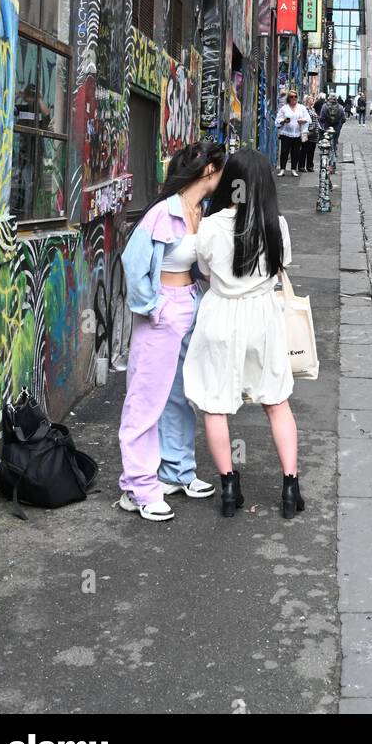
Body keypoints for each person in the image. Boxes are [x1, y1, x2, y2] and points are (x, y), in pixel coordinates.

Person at [184, 149, 304, 520]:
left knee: (215, 403)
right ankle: (290, 486)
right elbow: (281, 266)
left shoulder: (211, 225)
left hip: (220, 315)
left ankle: (228, 487)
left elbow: (205, 271)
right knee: (277, 402)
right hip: (263, 318)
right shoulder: (276, 224)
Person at [118, 141, 226, 521]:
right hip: (163, 310)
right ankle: (138, 487)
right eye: (221, 169)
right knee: (146, 399)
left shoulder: (199, 210)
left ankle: (177, 472)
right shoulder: (163, 213)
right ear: (209, 170)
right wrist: (152, 307)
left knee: (180, 394)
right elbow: (133, 261)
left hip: (190, 304)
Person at [276, 90, 310, 177]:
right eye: (291, 96)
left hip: (297, 134)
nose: (294, 98)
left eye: (295, 96)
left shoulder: (301, 107)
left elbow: (308, 118)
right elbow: (277, 120)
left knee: (295, 152)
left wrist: (302, 120)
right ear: (288, 98)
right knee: (284, 152)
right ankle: (282, 169)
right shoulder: (284, 108)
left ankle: (293, 169)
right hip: (286, 133)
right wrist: (284, 120)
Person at [320, 93, 346, 172]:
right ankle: (333, 164)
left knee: (326, 146)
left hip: (327, 128)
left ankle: (326, 164)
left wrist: (324, 126)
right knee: (333, 146)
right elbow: (343, 118)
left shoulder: (324, 106)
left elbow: (321, 118)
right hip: (336, 129)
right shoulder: (340, 107)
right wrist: (339, 126)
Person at [302, 94, 321, 172]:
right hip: (308, 131)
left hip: (314, 132)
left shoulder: (313, 109)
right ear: (307, 101)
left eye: (313, 99)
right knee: (304, 149)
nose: (313, 100)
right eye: (311, 99)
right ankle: (301, 166)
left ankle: (310, 166)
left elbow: (315, 120)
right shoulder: (305, 109)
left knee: (311, 150)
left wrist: (320, 128)